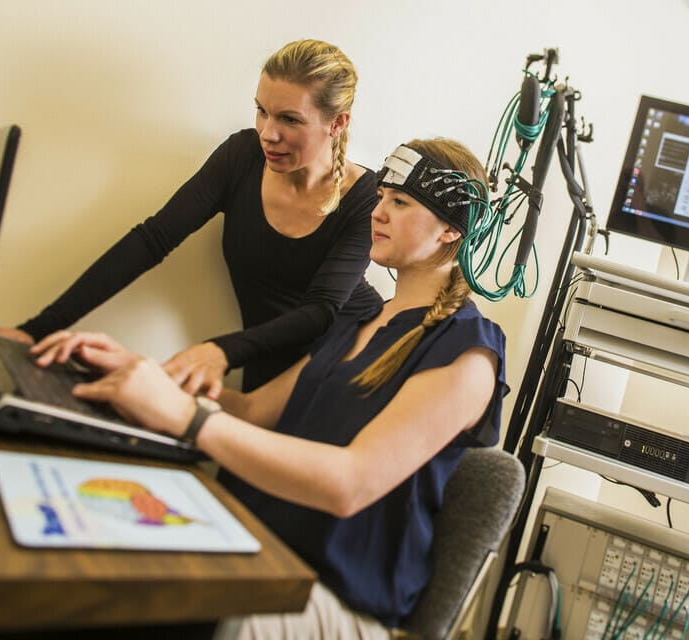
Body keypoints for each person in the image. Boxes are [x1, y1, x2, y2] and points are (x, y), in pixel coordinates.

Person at [32, 137, 507, 639]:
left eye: (400, 202)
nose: (378, 211)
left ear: (452, 228)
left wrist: (187, 417)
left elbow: (349, 484)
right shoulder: (362, 316)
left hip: (332, 596)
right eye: (382, 196)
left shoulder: (468, 352)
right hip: (261, 547)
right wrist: (140, 370)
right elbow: (253, 409)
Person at [0, 38, 381, 398]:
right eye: (262, 111)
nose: (268, 133)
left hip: (353, 364)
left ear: (337, 123)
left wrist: (218, 351)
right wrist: (34, 332)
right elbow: (152, 240)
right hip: (263, 367)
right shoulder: (241, 157)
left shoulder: (366, 197)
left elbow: (322, 309)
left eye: (290, 120)